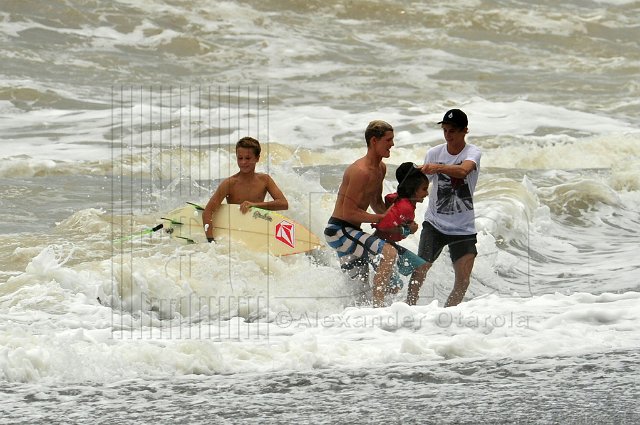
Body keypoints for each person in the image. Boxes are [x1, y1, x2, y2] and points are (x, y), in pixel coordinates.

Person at [324, 120, 424, 307]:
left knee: (361, 291)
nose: (392, 144)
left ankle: (361, 325)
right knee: (389, 252)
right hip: (338, 230)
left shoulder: (380, 169)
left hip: (351, 232)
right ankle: (379, 311)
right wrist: (380, 219)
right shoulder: (360, 171)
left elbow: (376, 203)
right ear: (374, 141)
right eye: (388, 140)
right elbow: (348, 212)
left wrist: (400, 221)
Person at [409, 109, 482, 307]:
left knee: (463, 281)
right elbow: (420, 187)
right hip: (435, 224)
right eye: (445, 131)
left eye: (453, 131)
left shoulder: (472, 153)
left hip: (463, 228)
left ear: (465, 131)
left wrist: (438, 168)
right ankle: (408, 310)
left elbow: (463, 170)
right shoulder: (434, 153)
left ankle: (448, 317)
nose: (448, 136)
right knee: (419, 270)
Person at [202, 136, 288, 242]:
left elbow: (283, 203)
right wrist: (210, 240)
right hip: (235, 231)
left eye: (248, 158)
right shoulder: (229, 183)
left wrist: (255, 205)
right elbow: (208, 211)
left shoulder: (265, 180)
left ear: (257, 158)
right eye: (240, 158)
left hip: (256, 228)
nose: (243, 162)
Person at [372, 162, 430, 296]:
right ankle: (381, 307)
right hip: (382, 246)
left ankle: (400, 306)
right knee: (397, 283)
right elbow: (383, 225)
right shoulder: (406, 206)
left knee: (398, 283)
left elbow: (389, 200)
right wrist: (407, 230)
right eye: (424, 189)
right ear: (413, 189)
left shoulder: (403, 201)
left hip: (388, 244)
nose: (426, 193)